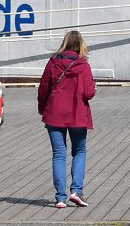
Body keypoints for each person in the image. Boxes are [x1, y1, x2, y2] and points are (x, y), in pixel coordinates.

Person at [37, 30, 95, 209]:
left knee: (58, 154)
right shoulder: (83, 65)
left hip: (55, 114)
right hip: (77, 114)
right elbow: (89, 93)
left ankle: (60, 197)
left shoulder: (53, 62)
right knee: (79, 151)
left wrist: (42, 109)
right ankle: (76, 191)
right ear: (81, 45)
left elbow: (43, 89)